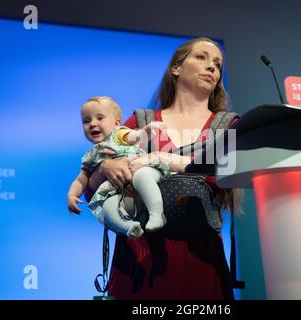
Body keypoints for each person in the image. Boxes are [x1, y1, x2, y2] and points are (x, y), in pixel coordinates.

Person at [85, 38, 240, 299]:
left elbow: (226, 174)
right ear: (176, 68)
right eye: (201, 58)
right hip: (138, 255)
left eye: (217, 64)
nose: (212, 67)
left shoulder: (228, 125)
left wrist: (159, 158)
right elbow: (93, 190)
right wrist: (107, 167)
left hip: (200, 256)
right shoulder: (141, 121)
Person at [67, 96, 171, 237]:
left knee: (142, 176)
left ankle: (157, 214)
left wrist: (146, 131)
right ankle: (128, 227)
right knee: (107, 205)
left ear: (117, 123)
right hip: (119, 191)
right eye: (86, 121)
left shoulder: (118, 134)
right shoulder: (91, 155)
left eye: (99, 118)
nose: (92, 124)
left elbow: (135, 135)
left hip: (138, 170)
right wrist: (72, 195)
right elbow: (81, 180)